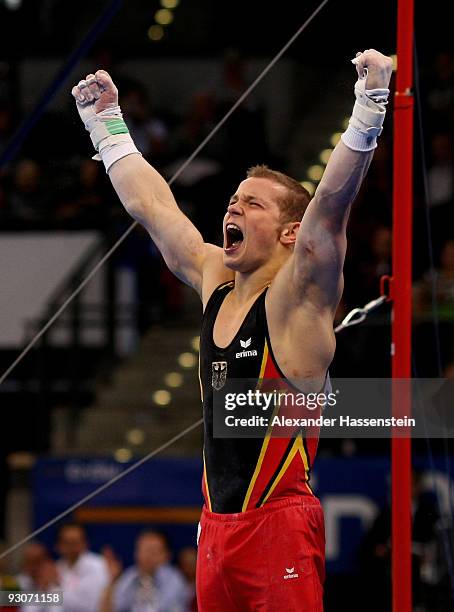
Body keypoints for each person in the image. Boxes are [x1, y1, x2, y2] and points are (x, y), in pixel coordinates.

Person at [72, 48, 393, 611]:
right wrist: (108, 126)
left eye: (253, 204)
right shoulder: (214, 274)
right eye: (234, 199)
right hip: (215, 529)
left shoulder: (299, 299)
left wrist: (368, 107)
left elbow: (330, 213)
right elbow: (152, 206)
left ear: (290, 233)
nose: (234, 207)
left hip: (279, 526)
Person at [100, 530, 189, 612]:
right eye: (143, 550)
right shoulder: (129, 576)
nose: (147, 556)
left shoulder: (174, 580)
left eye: (153, 551)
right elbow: (112, 609)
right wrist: (112, 582)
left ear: (166, 555)